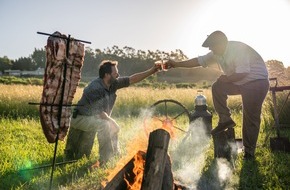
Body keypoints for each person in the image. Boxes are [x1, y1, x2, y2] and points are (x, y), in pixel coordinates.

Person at [165, 30, 269, 160]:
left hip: (256, 82)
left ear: (222, 44)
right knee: (217, 87)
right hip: (240, 82)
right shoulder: (217, 53)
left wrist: (227, 78)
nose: (211, 50)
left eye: (212, 46)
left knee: (250, 116)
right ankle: (225, 120)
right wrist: (176, 64)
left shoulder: (238, 49)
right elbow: (198, 61)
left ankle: (249, 152)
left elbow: (243, 73)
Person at [64, 60, 160, 166]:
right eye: (115, 73)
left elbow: (132, 79)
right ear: (107, 75)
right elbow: (100, 114)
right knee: (106, 124)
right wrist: (113, 122)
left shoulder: (112, 84)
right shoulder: (95, 88)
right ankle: (106, 159)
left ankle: (116, 154)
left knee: (109, 124)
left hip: (92, 118)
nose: (118, 75)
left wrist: (152, 70)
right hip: (80, 118)